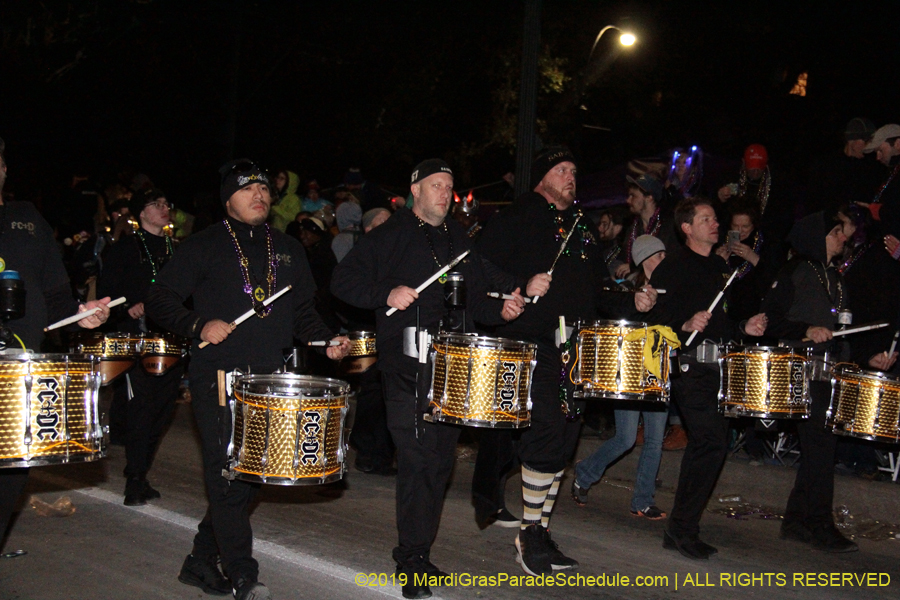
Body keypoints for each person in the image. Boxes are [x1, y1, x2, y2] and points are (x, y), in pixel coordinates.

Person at [145, 159, 349, 600]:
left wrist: (326, 341)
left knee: (249, 476)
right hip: (219, 376)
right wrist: (199, 325)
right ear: (227, 200)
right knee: (227, 475)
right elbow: (160, 299)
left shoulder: (289, 248)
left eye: (262, 188)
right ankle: (243, 573)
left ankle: (201, 559)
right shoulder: (203, 245)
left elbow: (303, 315)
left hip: (269, 380)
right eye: (246, 189)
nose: (258, 194)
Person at [331, 158, 525, 600]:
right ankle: (411, 561)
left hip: (452, 366)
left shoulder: (457, 238)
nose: (444, 193)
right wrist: (386, 293)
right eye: (436, 185)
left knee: (439, 463)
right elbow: (343, 281)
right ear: (415, 189)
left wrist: (502, 308)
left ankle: (419, 550)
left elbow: (474, 299)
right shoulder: (389, 236)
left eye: (449, 186)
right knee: (418, 460)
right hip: (407, 365)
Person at [477, 146, 657, 576]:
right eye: (562, 170)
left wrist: (632, 297)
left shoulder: (579, 226)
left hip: (575, 348)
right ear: (541, 178)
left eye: (574, 170)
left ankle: (538, 529)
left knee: (564, 440)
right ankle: (528, 533)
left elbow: (598, 288)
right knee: (543, 437)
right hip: (532, 344)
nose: (571, 176)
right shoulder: (518, 216)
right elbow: (479, 268)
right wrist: (520, 283)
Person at [0, 135, 111, 555]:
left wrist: (81, 314)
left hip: (19, 370)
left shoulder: (26, 218)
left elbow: (56, 295)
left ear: (4, 169)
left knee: (11, 475)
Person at [761, 208, 896, 552]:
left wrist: (867, 356)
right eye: (835, 233)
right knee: (822, 449)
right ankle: (819, 524)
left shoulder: (835, 278)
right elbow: (771, 320)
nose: (842, 238)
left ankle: (795, 521)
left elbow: (842, 332)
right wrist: (805, 330)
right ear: (814, 238)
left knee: (819, 450)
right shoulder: (794, 271)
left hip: (829, 372)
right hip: (802, 373)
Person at [649, 196, 767, 560]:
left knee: (710, 445)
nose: (716, 224)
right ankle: (682, 528)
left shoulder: (718, 269)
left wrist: (743, 326)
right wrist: (684, 325)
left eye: (715, 218)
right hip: (690, 368)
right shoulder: (672, 267)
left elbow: (721, 322)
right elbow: (657, 321)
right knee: (710, 442)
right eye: (706, 218)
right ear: (687, 228)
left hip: (718, 368)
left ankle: (681, 528)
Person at [571, 235, 669, 520]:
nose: (665, 261)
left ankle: (643, 500)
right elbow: (610, 308)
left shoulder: (670, 289)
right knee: (626, 438)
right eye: (659, 256)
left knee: (654, 440)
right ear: (645, 259)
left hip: (657, 369)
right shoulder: (625, 289)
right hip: (628, 371)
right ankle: (585, 472)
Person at [97, 188, 183, 506]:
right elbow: (108, 292)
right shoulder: (125, 248)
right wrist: (129, 305)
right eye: (156, 204)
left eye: (166, 204)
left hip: (171, 342)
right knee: (140, 410)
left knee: (161, 412)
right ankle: (134, 479)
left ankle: (140, 471)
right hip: (137, 341)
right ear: (141, 213)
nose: (163, 208)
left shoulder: (177, 249)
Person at [618, 173, 677, 279]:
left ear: (649, 198)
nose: (628, 200)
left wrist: (634, 268)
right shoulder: (632, 228)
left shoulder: (669, 225)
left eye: (633, 196)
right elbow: (622, 258)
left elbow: (670, 261)